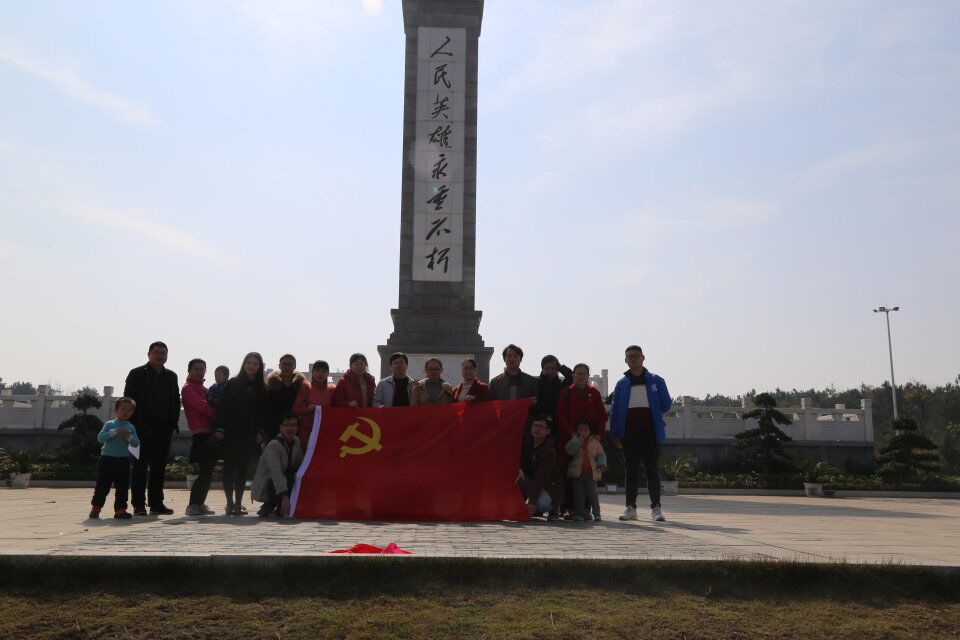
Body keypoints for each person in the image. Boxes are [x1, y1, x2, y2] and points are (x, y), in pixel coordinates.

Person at [609, 345, 672, 522]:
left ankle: (656, 508)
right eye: (630, 356)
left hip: (650, 433)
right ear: (625, 360)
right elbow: (615, 411)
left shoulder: (656, 380)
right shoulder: (621, 384)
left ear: (643, 358)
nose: (633, 358)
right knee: (631, 472)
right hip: (629, 434)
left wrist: (654, 403)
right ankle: (631, 508)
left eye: (636, 355)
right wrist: (616, 434)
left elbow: (666, 405)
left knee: (652, 471)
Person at [123, 341, 181, 516]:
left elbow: (175, 401)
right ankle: (138, 504)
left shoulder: (171, 376)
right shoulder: (137, 373)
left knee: (159, 467)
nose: (160, 356)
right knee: (139, 467)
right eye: (156, 352)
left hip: (164, 428)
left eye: (163, 353)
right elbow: (128, 400)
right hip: (140, 428)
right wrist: (132, 425)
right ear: (149, 354)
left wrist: (172, 422)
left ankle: (156, 503)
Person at [215, 352, 268, 516]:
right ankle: (229, 503)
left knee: (242, 469)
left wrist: (260, 432)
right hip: (231, 432)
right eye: (249, 363)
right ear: (244, 364)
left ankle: (238, 503)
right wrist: (221, 429)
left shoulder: (261, 387)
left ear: (259, 367)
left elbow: (263, 413)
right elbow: (223, 408)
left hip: (250, 433)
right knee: (229, 468)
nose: (251, 366)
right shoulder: (233, 383)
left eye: (255, 364)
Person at [88, 397, 140, 520]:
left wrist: (128, 437)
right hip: (106, 460)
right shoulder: (110, 424)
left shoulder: (131, 427)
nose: (126, 412)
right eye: (123, 409)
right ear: (116, 410)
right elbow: (100, 438)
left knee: (123, 487)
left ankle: (120, 511)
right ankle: (96, 508)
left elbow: (136, 443)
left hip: (123, 461)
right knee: (102, 486)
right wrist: (114, 432)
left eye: (129, 410)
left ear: (133, 412)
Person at [181, 358, 219, 516]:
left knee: (208, 470)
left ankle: (200, 503)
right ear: (189, 371)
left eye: (202, 369)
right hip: (200, 433)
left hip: (211, 432)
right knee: (204, 471)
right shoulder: (187, 388)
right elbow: (202, 406)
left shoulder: (205, 389)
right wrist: (219, 415)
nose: (199, 371)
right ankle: (192, 505)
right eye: (196, 369)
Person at [252, 412, 304, 518]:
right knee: (288, 478)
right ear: (280, 427)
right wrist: (285, 497)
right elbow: (276, 473)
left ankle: (280, 506)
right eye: (287, 425)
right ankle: (268, 506)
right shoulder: (274, 445)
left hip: (284, 481)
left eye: (294, 425)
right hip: (269, 485)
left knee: (297, 477)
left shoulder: (296, 441)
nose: (290, 428)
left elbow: (300, 465)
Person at [517, 415, 564, 521]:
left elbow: (540, 478)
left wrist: (532, 503)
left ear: (548, 431)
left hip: (548, 488)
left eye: (541, 427)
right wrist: (519, 469)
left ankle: (553, 507)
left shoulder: (549, 452)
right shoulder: (526, 442)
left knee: (542, 504)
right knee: (516, 474)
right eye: (535, 425)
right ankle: (520, 504)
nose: (537, 429)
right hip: (531, 482)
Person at [564, 418, 607, 521]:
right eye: (580, 430)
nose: (583, 432)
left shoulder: (595, 442)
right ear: (576, 430)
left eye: (585, 430)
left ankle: (597, 514)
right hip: (578, 473)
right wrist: (577, 440)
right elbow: (569, 451)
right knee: (579, 495)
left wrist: (601, 464)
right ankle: (579, 514)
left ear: (590, 431)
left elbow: (601, 454)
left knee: (593, 495)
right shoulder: (574, 440)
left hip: (591, 473)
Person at [556, 363, 609, 445]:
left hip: (591, 438)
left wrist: (599, 434)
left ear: (588, 376)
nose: (581, 376)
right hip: (570, 438)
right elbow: (561, 415)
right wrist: (572, 433)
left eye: (584, 374)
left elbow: (602, 416)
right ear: (573, 375)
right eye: (578, 374)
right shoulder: (566, 392)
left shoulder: (594, 393)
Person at [265, 354, 309, 443]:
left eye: (290, 364)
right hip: (274, 426)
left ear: (295, 366)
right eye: (284, 364)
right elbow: (266, 407)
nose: (287, 367)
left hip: (294, 427)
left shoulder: (301, 386)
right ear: (279, 366)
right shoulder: (272, 385)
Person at [300, 360, 335, 443]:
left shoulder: (332, 390)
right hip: (308, 431)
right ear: (312, 372)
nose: (320, 374)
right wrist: (307, 408)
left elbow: (338, 408)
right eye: (317, 370)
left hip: (326, 430)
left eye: (324, 371)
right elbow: (296, 408)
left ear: (328, 373)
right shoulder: (305, 387)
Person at [533, 354, 573, 424]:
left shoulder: (560, 385)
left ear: (557, 369)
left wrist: (560, 367)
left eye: (553, 368)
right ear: (542, 368)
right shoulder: (535, 383)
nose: (550, 371)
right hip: (539, 423)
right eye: (547, 368)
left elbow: (571, 376)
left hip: (556, 422)